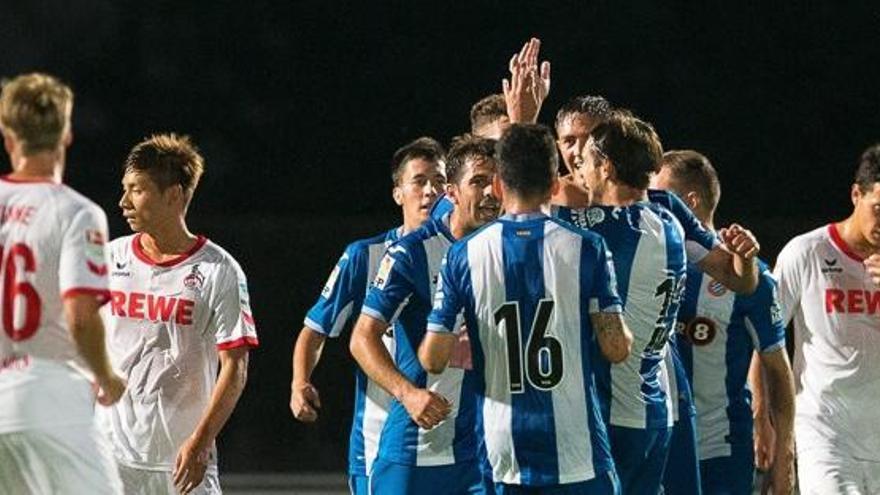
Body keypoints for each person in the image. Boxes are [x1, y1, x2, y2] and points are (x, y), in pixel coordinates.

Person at [420, 123, 631, 494]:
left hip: (504, 449)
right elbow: (617, 348)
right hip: (576, 446)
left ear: (499, 185)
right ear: (554, 186)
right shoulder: (588, 247)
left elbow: (433, 359)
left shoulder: (463, 255)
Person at [101, 134, 258, 494]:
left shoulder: (220, 270)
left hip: (179, 462)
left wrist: (201, 442)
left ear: (173, 195)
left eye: (136, 190)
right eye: (125, 189)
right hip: (110, 455)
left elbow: (235, 367)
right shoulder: (109, 259)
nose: (123, 201)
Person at [289, 137, 446, 494]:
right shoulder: (365, 255)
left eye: (438, 181)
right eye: (419, 181)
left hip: (458, 435)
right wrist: (300, 381)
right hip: (380, 436)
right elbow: (314, 330)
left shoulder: (464, 254)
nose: (430, 191)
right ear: (398, 194)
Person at [349, 134, 500, 494]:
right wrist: (408, 393)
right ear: (452, 193)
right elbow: (361, 338)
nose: (490, 193)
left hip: (483, 453)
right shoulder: (412, 253)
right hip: (416, 450)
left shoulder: (507, 247)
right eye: (478, 182)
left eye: (496, 182)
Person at [0, 72, 126, 493]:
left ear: (8, 136)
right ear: (66, 134)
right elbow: (80, 317)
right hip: (51, 398)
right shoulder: (76, 212)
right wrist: (107, 376)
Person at [653, 150, 795, 494]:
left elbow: (777, 366)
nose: (651, 207)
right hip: (659, 445)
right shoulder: (647, 263)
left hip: (721, 451)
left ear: (690, 202)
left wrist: (783, 458)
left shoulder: (748, 275)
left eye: (660, 196)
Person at [774, 143, 880, 494]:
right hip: (827, 438)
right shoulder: (807, 252)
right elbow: (765, 336)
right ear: (855, 194)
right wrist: (766, 422)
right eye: (878, 209)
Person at [553, 95, 614, 208]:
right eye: (569, 141)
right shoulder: (546, 200)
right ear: (559, 147)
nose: (578, 151)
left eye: (589, 139)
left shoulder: (638, 195)